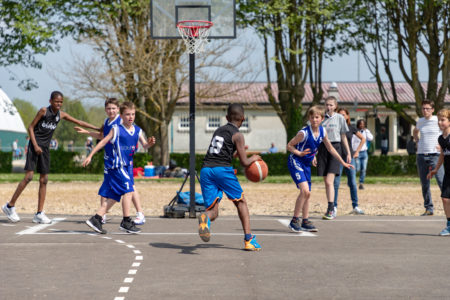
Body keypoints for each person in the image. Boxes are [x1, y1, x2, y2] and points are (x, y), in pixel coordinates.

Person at [1, 91, 100, 224]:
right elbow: (30, 127)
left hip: (45, 148)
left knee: (44, 180)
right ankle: (9, 206)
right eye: (56, 101)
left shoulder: (61, 115)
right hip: (34, 145)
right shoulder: (43, 111)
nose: (58, 104)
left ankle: (39, 213)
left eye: (61, 102)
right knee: (29, 177)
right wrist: (35, 145)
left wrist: (98, 128)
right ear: (50, 101)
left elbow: (78, 121)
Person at [197, 103, 262, 251]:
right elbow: (245, 162)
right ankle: (249, 239)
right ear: (243, 119)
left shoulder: (218, 130)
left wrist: (238, 152)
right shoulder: (238, 135)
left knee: (213, 211)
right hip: (222, 170)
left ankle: (205, 218)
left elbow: (222, 152)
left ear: (227, 117)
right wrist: (254, 158)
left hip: (206, 170)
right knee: (241, 202)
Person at [84, 101, 155, 234]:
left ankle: (96, 218)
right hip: (117, 166)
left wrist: (149, 144)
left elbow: (144, 145)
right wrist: (91, 155)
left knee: (116, 195)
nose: (131, 117)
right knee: (128, 191)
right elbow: (103, 142)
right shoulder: (116, 129)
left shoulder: (137, 130)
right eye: (127, 114)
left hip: (126, 166)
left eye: (133, 114)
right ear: (121, 116)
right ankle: (126, 221)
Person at [287, 106, 354, 232]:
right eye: (312, 117)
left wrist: (343, 162)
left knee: (307, 194)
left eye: (317, 117)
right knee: (305, 191)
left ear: (322, 119)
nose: (314, 120)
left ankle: (305, 221)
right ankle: (295, 220)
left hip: (306, 164)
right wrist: (299, 153)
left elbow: (331, 149)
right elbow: (289, 145)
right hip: (295, 161)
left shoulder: (323, 132)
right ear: (309, 119)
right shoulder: (303, 133)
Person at [314, 96, 351, 220]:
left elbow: (343, 137)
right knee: (326, 182)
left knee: (330, 181)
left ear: (335, 106)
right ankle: (330, 206)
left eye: (331, 105)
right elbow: (315, 138)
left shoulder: (340, 118)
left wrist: (348, 153)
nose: (329, 107)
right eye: (327, 105)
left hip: (335, 148)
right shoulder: (321, 119)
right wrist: (314, 154)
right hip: (323, 148)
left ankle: (331, 208)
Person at [413, 100, 444, 216]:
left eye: (427, 108)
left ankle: (448, 205)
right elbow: (415, 131)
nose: (425, 111)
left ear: (432, 109)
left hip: (435, 154)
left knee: (442, 181)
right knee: (424, 183)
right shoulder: (420, 121)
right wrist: (416, 140)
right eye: (423, 109)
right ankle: (428, 208)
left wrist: (442, 145)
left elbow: (446, 132)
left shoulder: (437, 120)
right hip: (421, 154)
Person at [333, 108, 365, 215]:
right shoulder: (334, 128)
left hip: (349, 158)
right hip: (338, 158)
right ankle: (334, 207)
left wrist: (356, 152)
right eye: (339, 114)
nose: (341, 116)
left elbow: (363, 139)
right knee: (336, 183)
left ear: (347, 116)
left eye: (343, 115)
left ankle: (355, 206)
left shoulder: (351, 128)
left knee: (352, 183)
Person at [427, 108, 450, 235]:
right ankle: (449, 224)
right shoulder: (441, 138)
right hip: (448, 173)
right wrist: (436, 169)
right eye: (439, 121)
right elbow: (442, 155)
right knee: (445, 199)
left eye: (443, 120)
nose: (440, 123)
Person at [353, 119, 374, 189]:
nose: (362, 125)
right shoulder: (354, 132)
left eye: (363, 124)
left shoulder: (366, 132)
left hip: (364, 152)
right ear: (358, 125)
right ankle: (351, 180)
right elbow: (352, 142)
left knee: (363, 169)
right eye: (360, 124)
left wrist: (366, 131)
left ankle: (361, 183)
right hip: (357, 152)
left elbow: (371, 138)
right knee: (357, 168)